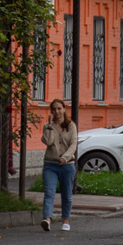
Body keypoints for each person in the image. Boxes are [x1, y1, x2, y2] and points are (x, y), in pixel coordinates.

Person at [40, 99, 77, 232]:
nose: (57, 112)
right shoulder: (47, 126)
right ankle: (47, 219)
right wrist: (50, 126)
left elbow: (73, 144)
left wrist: (65, 158)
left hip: (67, 165)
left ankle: (65, 220)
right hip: (50, 164)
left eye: (59, 108)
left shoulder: (71, 125)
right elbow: (48, 142)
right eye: (54, 109)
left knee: (66, 194)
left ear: (64, 109)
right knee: (49, 192)